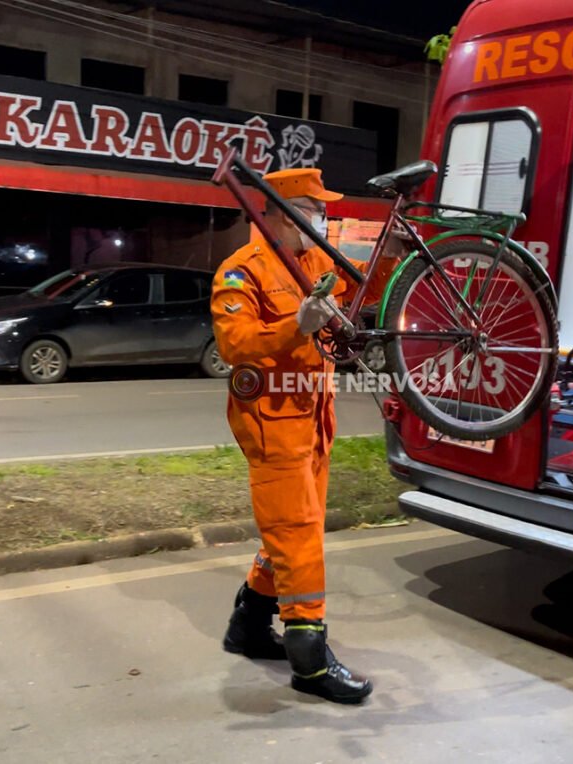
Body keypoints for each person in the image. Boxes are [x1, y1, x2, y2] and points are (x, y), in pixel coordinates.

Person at [210, 167, 401, 705]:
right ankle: (310, 664)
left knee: (296, 531)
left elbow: (364, 295)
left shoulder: (315, 260)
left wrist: (391, 258)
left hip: (314, 419)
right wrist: (297, 322)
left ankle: (247, 627)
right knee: (298, 536)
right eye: (317, 208)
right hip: (272, 424)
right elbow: (234, 344)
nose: (325, 216)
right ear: (285, 212)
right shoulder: (240, 271)